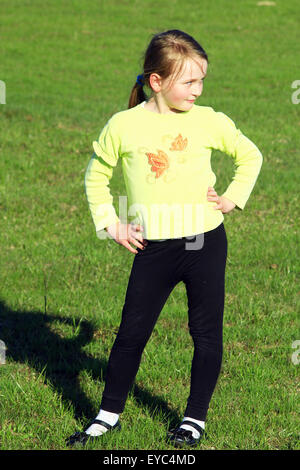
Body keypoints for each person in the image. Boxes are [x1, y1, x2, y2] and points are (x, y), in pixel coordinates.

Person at [66, 29, 263, 448]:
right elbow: (96, 176)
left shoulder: (210, 120)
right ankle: (107, 415)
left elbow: (250, 155)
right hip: (153, 249)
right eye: (189, 81)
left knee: (206, 334)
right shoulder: (124, 126)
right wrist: (111, 223)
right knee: (131, 334)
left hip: (204, 243)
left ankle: (194, 420)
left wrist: (232, 197)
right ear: (156, 81)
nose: (198, 89)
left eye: (202, 80)